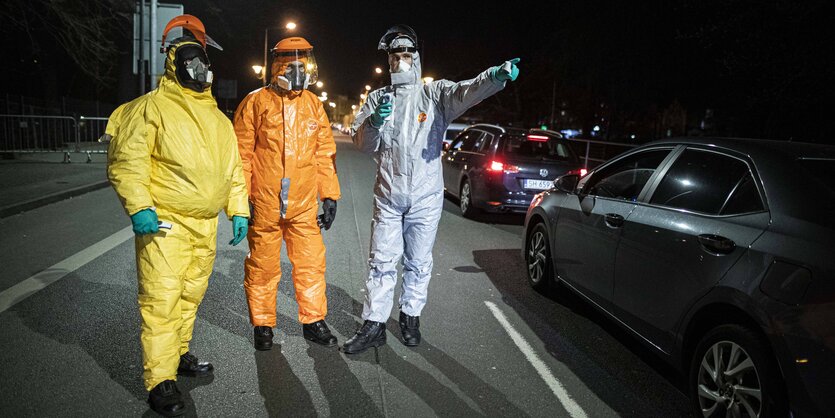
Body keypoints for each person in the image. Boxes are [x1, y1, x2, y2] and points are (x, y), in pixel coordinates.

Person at [344, 24, 519, 354]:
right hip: (389, 194)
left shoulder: (435, 95)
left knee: (418, 261)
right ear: (388, 59)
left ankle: (410, 317)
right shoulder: (378, 99)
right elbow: (363, 144)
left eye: (407, 54)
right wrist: (374, 123)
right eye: (395, 55)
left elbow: (467, 91)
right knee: (381, 260)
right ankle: (374, 324)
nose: (401, 61)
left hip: (425, 196)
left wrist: (495, 77)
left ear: (417, 58)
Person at [106, 14, 249, 417]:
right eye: (191, 60)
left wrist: (238, 210)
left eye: (202, 60)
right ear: (174, 63)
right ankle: (160, 379)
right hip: (166, 223)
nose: (200, 68)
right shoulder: (150, 108)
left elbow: (233, 170)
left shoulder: (218, 118)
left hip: (204, 225)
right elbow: (128, 161)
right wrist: (140, 206)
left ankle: (179, 355)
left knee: (190, 295)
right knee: (162, 299)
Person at [233, 36, 341, 351]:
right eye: (291, 64)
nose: (298, 71)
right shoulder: (256, 102)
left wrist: (329, 194)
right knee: (263, 266)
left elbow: (324, 154)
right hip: (264, 203)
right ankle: (263, 324)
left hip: (304, 205)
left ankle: (313, 320)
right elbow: (241, 156)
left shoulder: (313, 105)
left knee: (310, 264)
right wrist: (241, 200)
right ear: (279, 65)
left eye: (302, 64)